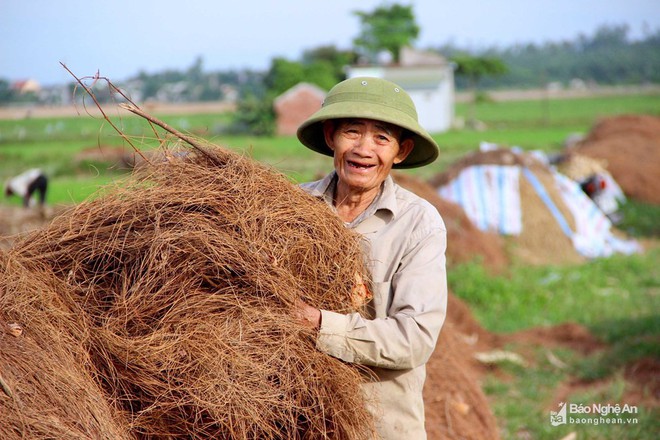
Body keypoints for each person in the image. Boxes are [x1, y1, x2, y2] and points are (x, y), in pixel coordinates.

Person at [295, 77, 448, 439]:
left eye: (382, 137)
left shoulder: (418, 224)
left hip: (378, 427)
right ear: (331, 136)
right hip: (295, 419)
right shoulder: (291, 209)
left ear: (402, 151)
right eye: (352, 132)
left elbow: (414, 338)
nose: (364, 149)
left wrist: (319, 323)